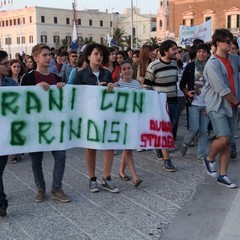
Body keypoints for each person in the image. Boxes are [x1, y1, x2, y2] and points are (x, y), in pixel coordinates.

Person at [21, 43, 71, 202]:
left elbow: (65, 103)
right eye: (45, 55)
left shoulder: (57, 78)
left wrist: (63, 88)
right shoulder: (28, 77)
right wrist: (34, 90)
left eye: (50, 55)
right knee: (36, 159)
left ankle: (57, 189)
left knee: (61, 156)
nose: (49, 57)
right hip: (35, 126)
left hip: (55, 126)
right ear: (36, 58)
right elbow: (23, 101)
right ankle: (40, 188)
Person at [68, 43, 119, 193]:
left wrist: (111, 86)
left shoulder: (106, 74)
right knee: (91, 147)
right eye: (96, 54)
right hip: (89, 116)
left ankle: (107, 177)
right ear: (89, 56)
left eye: (101, 54)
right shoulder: (80, 74)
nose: (99, 57)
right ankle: (92, 179)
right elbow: (75, 96)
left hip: (105, 115)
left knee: (109, 145)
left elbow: (113, 94)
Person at [203, 29, 240, 188]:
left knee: (228, 142)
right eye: (227, 41)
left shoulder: (234, 59)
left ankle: (223, 175)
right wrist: (238, 102)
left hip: (232, 106)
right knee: (224, 137)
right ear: (218, 43)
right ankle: (209, 158)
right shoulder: (212, 64)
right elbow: (222, 89)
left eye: (231, 41)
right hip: (218, 106)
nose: (231, 44)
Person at [144, 39, 178, 172]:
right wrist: (151, 103)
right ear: (165, 51)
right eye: (173, 49)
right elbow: (147, 85)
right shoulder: (153, 66)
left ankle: (157, 146)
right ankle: (167, 160)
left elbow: (174, 82)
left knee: (171, 126)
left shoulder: (175, 64)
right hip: (160, 103)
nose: (176, 51)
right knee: (165, 130)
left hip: (174, 101)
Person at [179, 43, 210, 162]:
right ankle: (185, 143)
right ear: (196, 53)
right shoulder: (190, 66)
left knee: (204, 130)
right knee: (194, 128)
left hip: (207, 104)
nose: (201, 54)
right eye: (199, 51)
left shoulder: (211, 67)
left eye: (204, 52)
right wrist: (187, 93)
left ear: (208, 54)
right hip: (194, 103)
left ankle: (201, 155)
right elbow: (182, 84)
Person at [115, 60, 142, 187]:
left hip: (134, 119)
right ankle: (135, 177)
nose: (127, 71)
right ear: (121, 72)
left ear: (132, 70)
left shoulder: (137, 84)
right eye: (124, 69)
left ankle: (121, 170)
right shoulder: (118, 85)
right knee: (128, 148)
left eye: (129, 68)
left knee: (128, 147)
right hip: (123, 121)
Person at [0, 50, 18, 217]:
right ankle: (2, 202)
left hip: (4, 136)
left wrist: (40, 89)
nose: (8, 66)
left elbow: (24, 98)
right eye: (5, 64)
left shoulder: (11, 84)